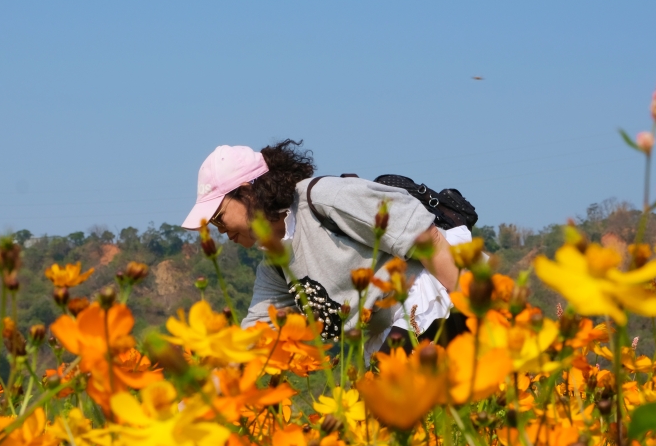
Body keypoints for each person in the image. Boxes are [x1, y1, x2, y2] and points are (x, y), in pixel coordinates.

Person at [181, 140, 471, 358]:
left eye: (219, 217)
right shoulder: (274, 266)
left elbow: (426, 237)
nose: (219, 230)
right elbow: (256, 335)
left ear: (246, 192)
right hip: (384, 337)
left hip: (431, 297)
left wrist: (476, 312)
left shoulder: (322, 199)